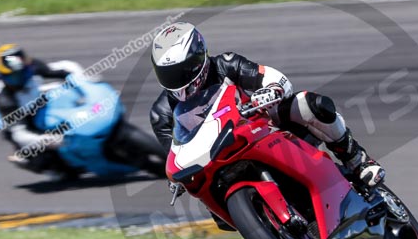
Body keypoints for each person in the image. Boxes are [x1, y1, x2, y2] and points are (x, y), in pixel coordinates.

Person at [149, 23, 385, 189]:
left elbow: (275, 78)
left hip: (257, 128)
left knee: (310, 105)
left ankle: (357, 160)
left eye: (181, 70)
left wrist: (269, 91)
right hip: (213, 162)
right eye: (168, 74)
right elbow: (174, 156)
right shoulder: (161, 113)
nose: (177, 80)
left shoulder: (225, 64)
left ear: (199, 57)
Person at [0, 43, 84, 177]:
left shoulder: (31, 66)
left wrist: (85, 80)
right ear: (3, 76)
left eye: (24, 73)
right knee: (39, 155)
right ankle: (39, 163)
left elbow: (65, 68)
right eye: (14, 77)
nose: (20, 79)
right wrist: (48, 140)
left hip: (38, 102)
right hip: (20, 120)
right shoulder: (5, 100)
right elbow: (19, 134)